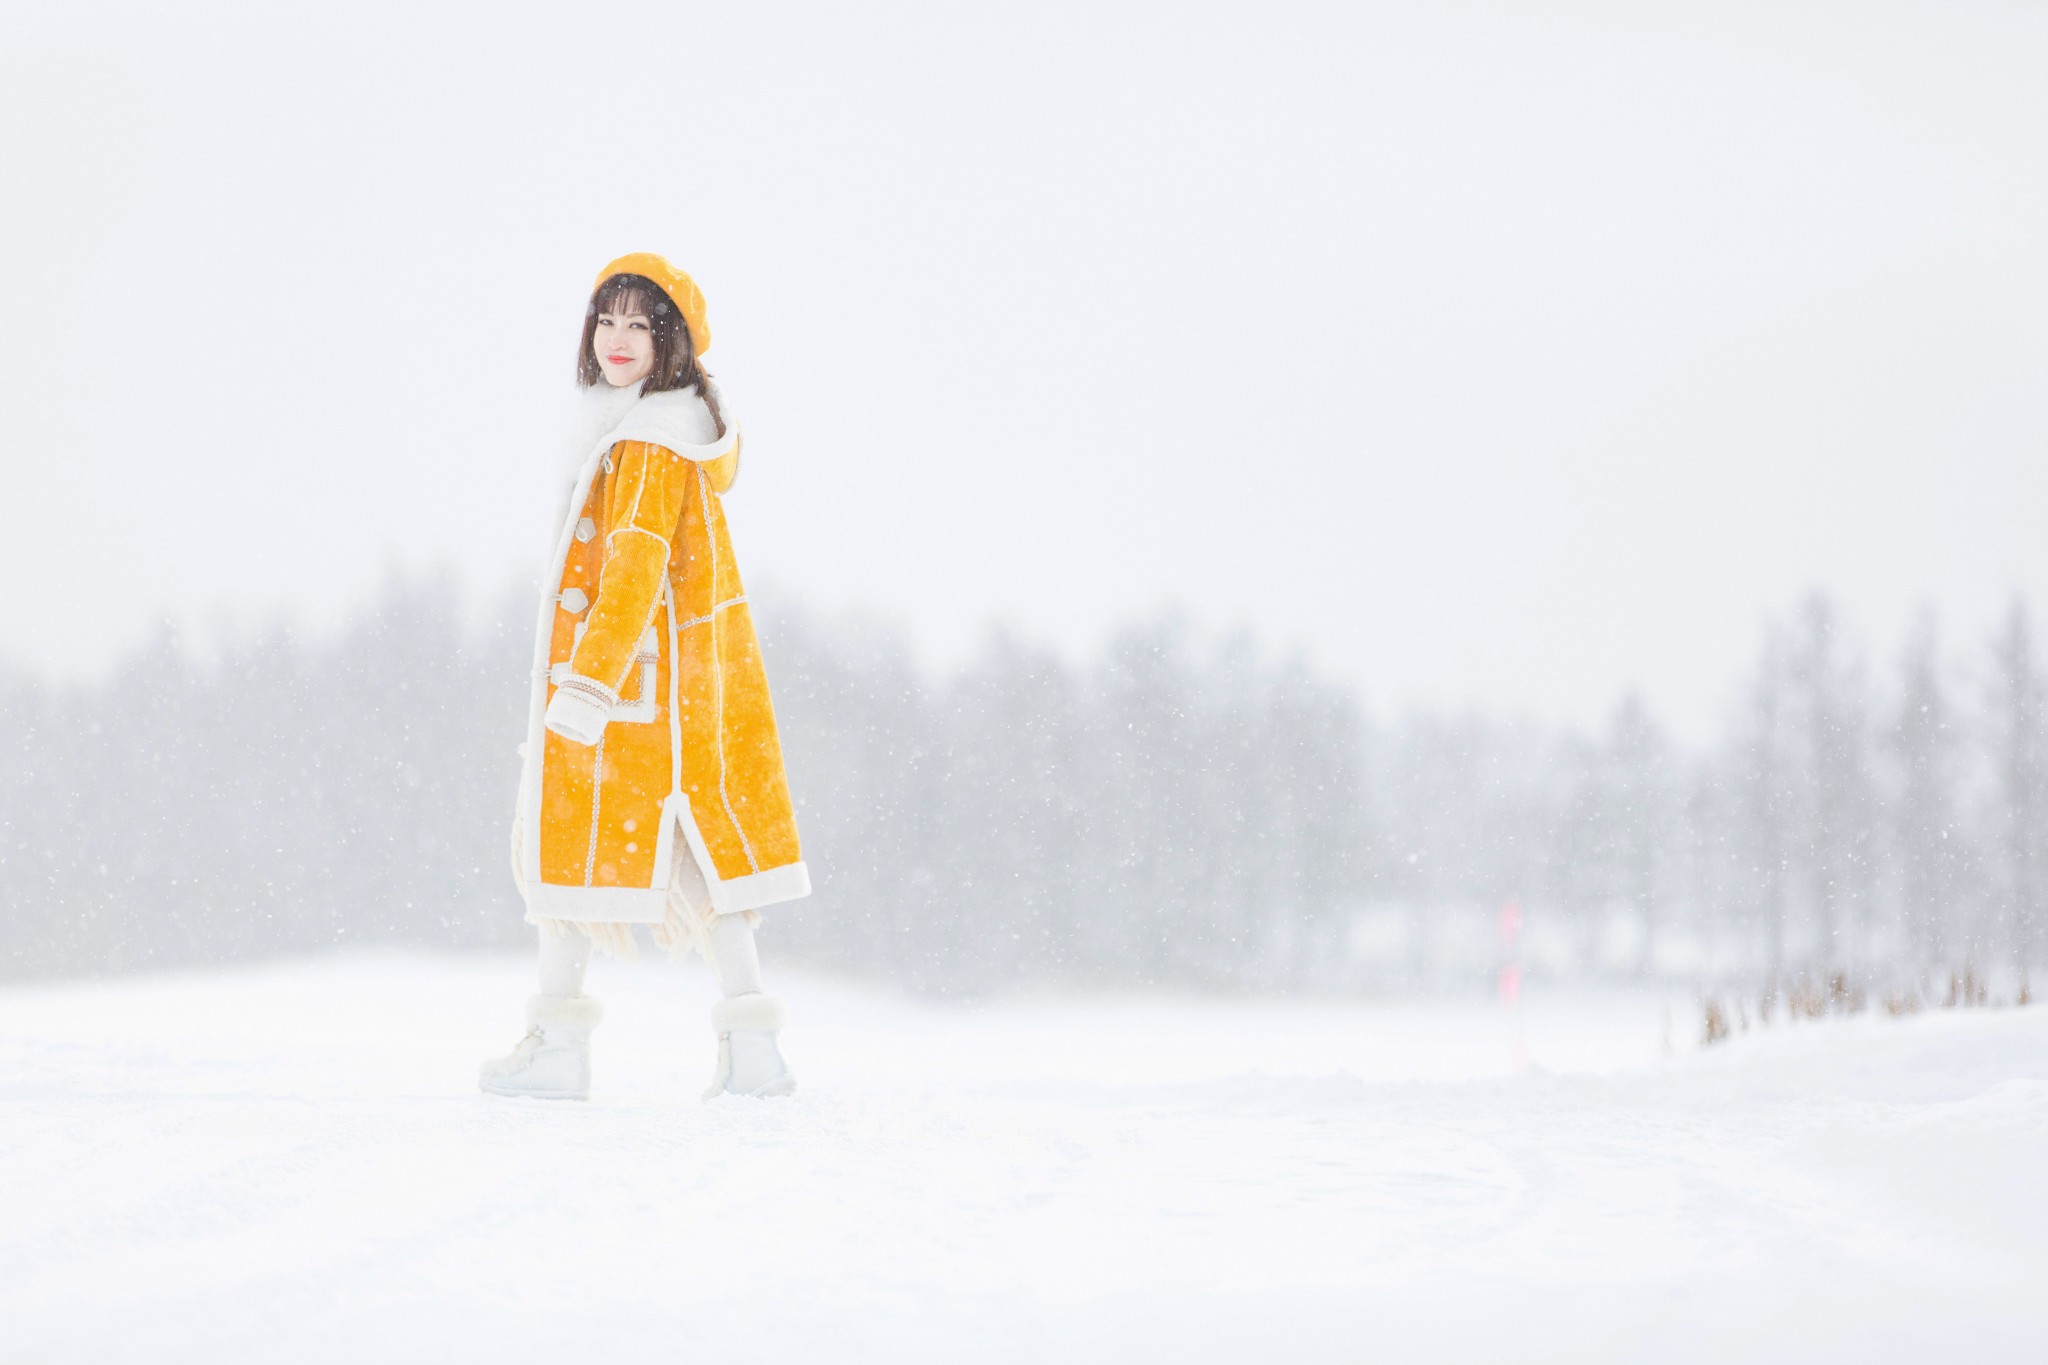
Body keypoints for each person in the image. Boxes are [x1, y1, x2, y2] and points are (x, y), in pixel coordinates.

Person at [481, 253, 811, 1102]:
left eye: (641, 323)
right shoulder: (640, 433)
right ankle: (748, 1051)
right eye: (608, 319)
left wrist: (585, 688)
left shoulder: (650, 442)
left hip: (629, 704)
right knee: (670, 869)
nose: (619, 338)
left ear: (673, 345)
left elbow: (633, 567)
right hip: (652, 700)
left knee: (574, 859)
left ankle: (567, 1049)